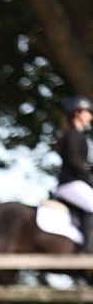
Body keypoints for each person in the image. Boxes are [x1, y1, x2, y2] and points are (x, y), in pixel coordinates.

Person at [54, 94, 93, 252]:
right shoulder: (72, 134)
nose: (90, 116)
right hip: (71, 183)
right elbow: (75, 162)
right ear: (78, 113)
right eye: (88, 112)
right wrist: (90, 179)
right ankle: (87, 249)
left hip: (76, 182)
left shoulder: (78, 134)